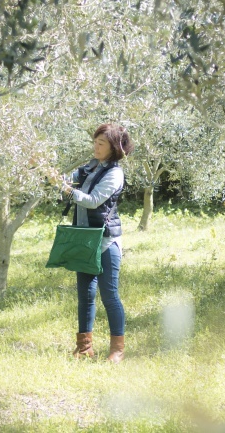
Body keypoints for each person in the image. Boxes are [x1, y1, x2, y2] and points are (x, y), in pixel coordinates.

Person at [61, 123, 134, 363]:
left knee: (109, 294)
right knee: (85, 294)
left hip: (106, 241)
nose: (96, 147)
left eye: (101, 143)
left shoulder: (115, 173)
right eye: (95, 142)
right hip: (85, 237)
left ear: (114, 148)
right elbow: (68, 181)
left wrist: (68, 190)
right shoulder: (90, 168)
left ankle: (117, 350)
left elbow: (92, 201)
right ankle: (84, 348)